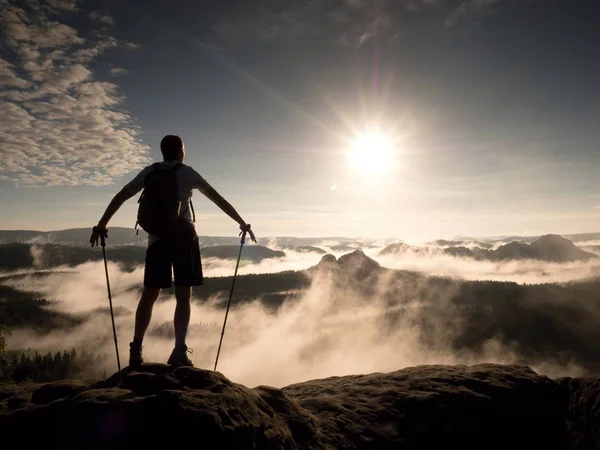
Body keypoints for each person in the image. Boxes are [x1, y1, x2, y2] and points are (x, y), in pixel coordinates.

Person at [89, 135, 256, 367]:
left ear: (162, 151)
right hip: (184, 238)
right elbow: (218, 199)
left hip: (157, 240)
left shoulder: (150, 172)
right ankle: (179, 351)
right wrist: (241, 223)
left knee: (150, 294)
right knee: (183, 294)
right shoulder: (187, 173)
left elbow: (121, 196)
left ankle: (136, 349)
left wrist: (101, 224)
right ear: (181, 151)